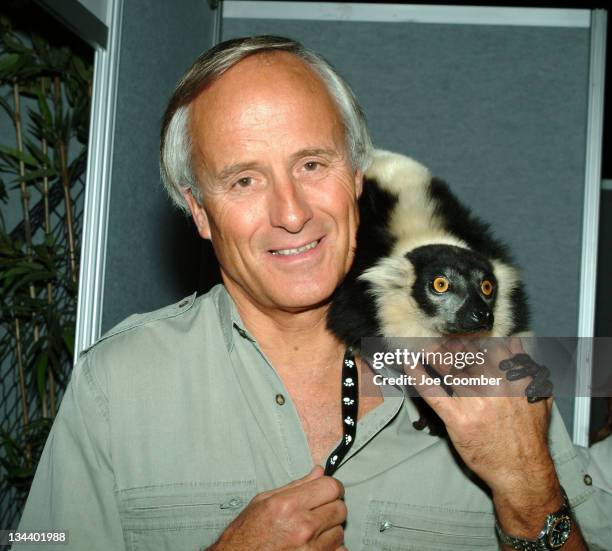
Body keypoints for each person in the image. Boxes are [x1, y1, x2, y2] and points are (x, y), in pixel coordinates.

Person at [14, 36, 611, 550]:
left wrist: (532, 495)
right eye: (244, 179)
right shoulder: (117, 384)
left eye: (312, 165)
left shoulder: (498, 377)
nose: (292, 213)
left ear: (356, 177)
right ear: (198, 210)